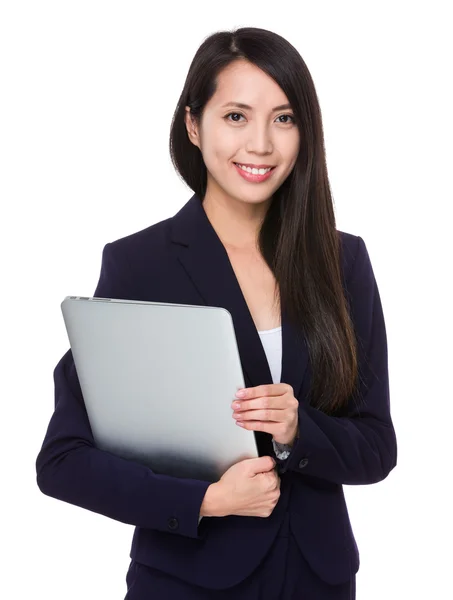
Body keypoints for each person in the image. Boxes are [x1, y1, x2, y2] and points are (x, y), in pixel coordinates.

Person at [35, 26, 397, 599]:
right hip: (187, 581)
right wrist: (205, 500)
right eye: (235, 116)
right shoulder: (138, 266)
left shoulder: (342, 261)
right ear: (193, 125)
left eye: (283, 118)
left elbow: (377, 448)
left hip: (317, 581)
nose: (261, 144)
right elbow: (63, 459)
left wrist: (300, 429)